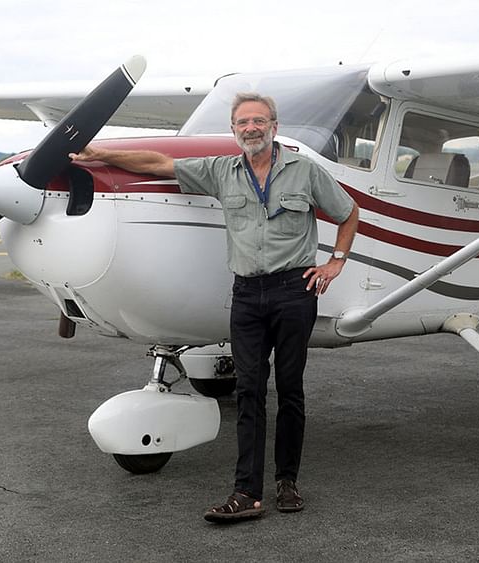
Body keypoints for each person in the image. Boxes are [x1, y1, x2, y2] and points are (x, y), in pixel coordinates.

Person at [70, 92, 359, 522]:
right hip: (246, 295)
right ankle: (247, 492)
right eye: (243, 122)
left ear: (274, 127)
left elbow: (348, 212)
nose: (251, 129)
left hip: (293, 292)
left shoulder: (304, 171)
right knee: (249, 391)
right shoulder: (222, 170)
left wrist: (336, 261)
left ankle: (287, 482)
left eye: (259, 121)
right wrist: (99, 153)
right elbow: (157, 164)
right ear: (234, 130)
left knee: (291, 390)